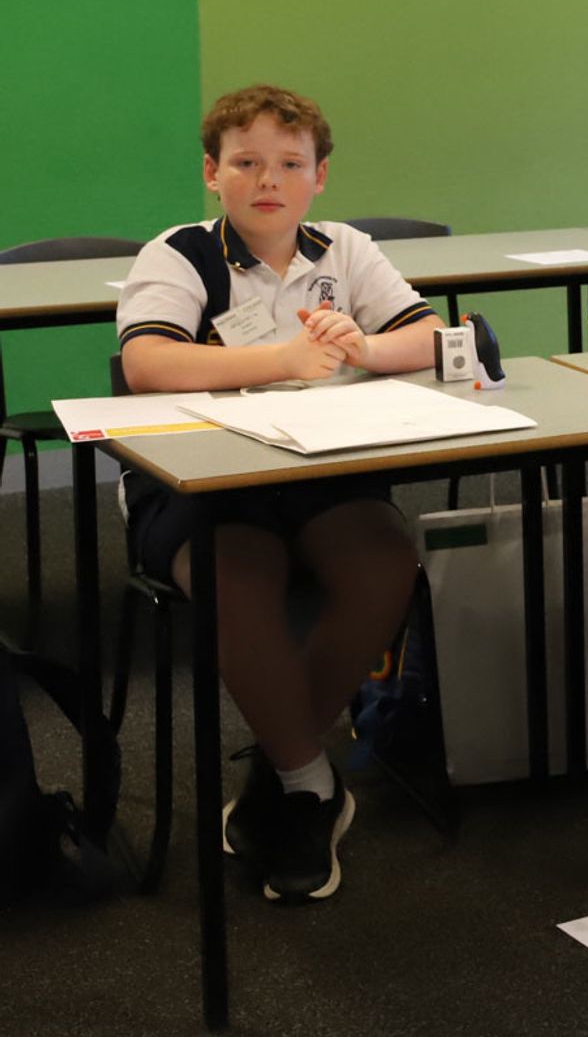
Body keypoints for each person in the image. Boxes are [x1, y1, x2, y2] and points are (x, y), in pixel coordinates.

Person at [117, 84, 443, 902]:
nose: (269, 180)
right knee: (238, 579)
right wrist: (282, 362)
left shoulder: (345, 249)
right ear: (212, 172)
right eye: (246, 163)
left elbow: (432, 334)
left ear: (319, 177)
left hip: (319, 467)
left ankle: (282, 762)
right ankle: (310, 783)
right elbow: (148, 362)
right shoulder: (179, 253)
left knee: (384, 565)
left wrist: (365, 347)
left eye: (291, 164)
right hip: (200, 481)